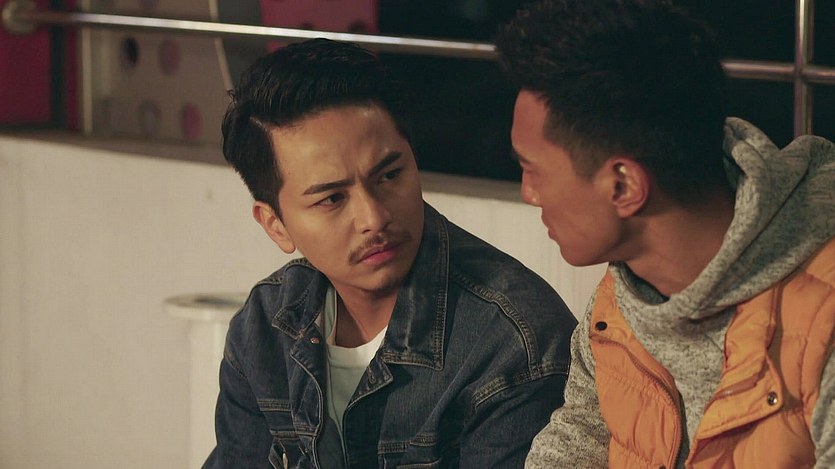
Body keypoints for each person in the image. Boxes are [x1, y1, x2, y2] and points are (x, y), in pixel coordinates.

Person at [202, 38, 576, 468]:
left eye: (390, 175)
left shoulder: (512, 343)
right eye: (332, 199)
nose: (374, 218)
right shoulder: (265, 326)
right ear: (276, 225)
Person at [495, 0, 835, 467]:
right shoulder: (621, 298)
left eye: (533, 170)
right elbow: (576, 440)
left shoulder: (823, 317)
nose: (528, 194)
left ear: (623, 186)